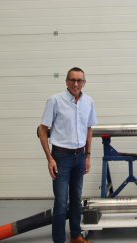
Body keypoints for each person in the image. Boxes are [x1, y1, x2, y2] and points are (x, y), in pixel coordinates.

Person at [39, 67, 98, 243]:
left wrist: (87, 156)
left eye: (80, 80)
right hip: (60, 157)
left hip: (79, 156)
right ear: (66, 81)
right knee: (61, 203)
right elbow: (42, 130)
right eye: (72, 80)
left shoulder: (88, 101)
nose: (76, 84)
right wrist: (50, 158)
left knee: (76, 200)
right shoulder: (55, 101)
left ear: (84, 83)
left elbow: (89, 129)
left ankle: (76, 236)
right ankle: (59, 240)